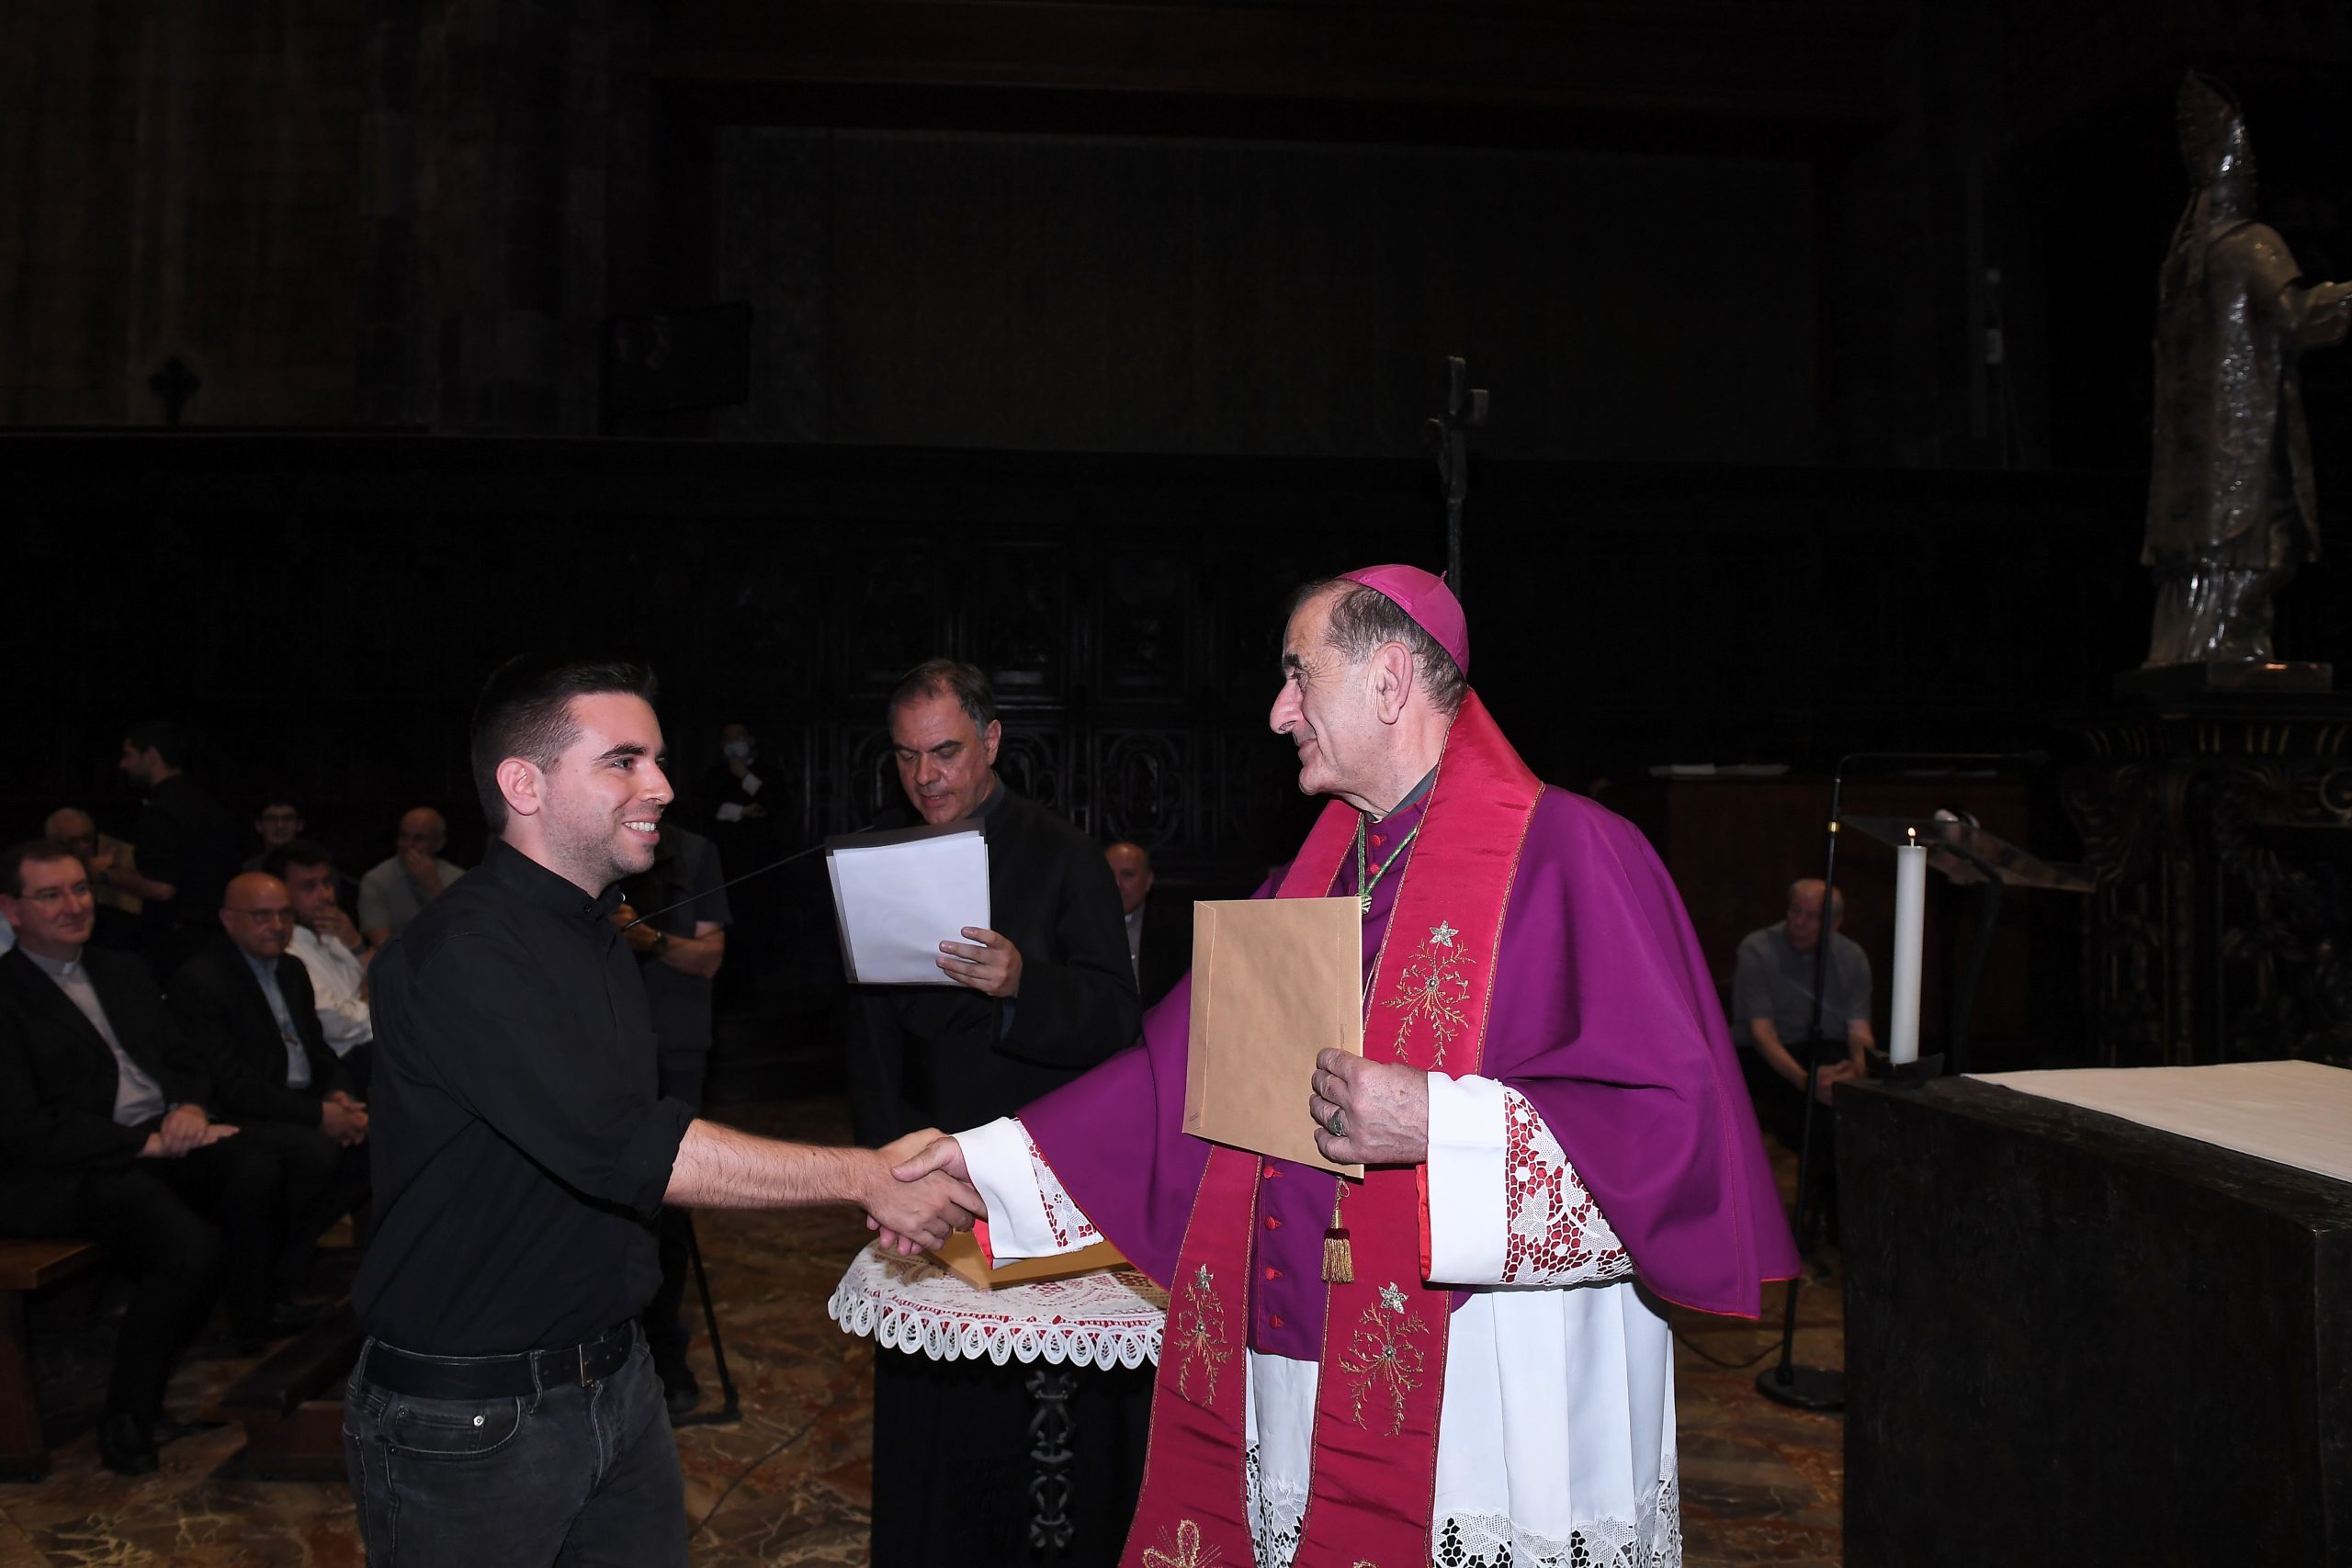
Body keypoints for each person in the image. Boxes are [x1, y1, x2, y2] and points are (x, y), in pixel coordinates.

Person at [893, 567, 1797, 1566]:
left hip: (1499, 1384)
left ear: (1389, 680)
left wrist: (1439, 1121)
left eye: (1299, 675)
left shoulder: (1578, 854)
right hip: (1309, 1361)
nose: (1278, 713)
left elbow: (1669, 1135)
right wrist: (977, 1163)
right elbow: (1168, 1081)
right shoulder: (1310, 880)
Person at [345, 655, 979, 1567]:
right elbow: (627, 1146)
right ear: (524, 784)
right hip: (473, 1416)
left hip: (615, 1377)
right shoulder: (465, 952)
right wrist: (865, 1176)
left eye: (658, 759)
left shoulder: (596, 932)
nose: (664, 786)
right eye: (624, 761)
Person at [846, 659, 1145, 1567]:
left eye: (944, 752)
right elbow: (865, 1033)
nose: (924, 776)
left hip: (1033, 1182)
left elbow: (1117, 1018)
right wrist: (881, 1166)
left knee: (1028, 1432)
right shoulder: (881, 856)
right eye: (906, 757)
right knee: (929, 1425)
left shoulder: (1061, 854)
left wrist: (1024, 986)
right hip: (919, 1177)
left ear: (991, 741)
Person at [0, 840, 303, 1473]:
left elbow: (182, 1057)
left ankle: (252, 1330)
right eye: (51, 895)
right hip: (58, 1169)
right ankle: (127, 1415)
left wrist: (188, 1106)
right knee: (188, 1248)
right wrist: (145, 1142)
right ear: (11, 910)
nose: (74, 905)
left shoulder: (120, 968)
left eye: (80, 888)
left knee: (256, 1161)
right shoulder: (8, 995)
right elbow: (24, 1129)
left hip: (149, 1140)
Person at [2143, 72, 2352, 668]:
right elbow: (2297, 316)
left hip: (2200, 459)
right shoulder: (2251, 245)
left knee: (2242, 551)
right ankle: (2230, 646)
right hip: (2243, 443)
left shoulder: (2182, 264)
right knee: (2265, 549)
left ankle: (2214, 645)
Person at [169, 872, 373, 1303]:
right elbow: (230, 1082)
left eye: (284, 915)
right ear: (228, 919)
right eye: (262, 916)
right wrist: (320, 1116)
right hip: (242, 1110)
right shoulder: (203, 979)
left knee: (376, 1140)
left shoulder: (291, 969)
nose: (277, 926)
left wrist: (339, 1095)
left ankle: (290, 1259)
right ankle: (276, 1279)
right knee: (314, 1152)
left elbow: (318, 1051)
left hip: (293, 1099)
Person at [612, 822, 730, 1416]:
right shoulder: (579, 838)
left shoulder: (693, 852)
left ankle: (664, 1349)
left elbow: (709, 957)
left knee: (667, 1207)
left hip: (675, 1050)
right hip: (594, 1050)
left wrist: (648, 937)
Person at [1730, 878, 1873, 1242]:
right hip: (1771, 1056)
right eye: (1796, 911)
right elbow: (1762, 1034)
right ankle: (1823, 1214)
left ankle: (1839, 1214)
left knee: (1853, 1106)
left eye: (1812, 917)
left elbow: (1859, 1031)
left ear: (1834, 924)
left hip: (1829, 1055)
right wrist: (1806, 1080)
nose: (1799, 922)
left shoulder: (1852, 957)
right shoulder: (1758, 949)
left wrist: (1856, 1073)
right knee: (1817, 1112)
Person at [104, 721, 240, 976]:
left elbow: (161, 887)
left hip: (176, 944)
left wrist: (105, 874)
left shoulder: (160, 810)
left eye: (129, 755)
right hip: (218, 938)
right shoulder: (210, 804)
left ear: (152, 755)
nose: (123, 765)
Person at [266, 840, 377, 1097]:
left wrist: (356, 943)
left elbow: (386, 977)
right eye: (309, 887)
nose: (326, 896)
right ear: (281, 894)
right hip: (343, 1064)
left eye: (327, 883)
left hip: (375, 1041)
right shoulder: (284, 951)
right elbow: (337, 1026)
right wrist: (373, 993)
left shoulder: (333, 931)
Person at [357, 807, 465, 948]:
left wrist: (434, 886)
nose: (408, 845)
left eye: (419, 839)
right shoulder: (376, 880)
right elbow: (383, 945)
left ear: (439, 843)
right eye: (403, 836)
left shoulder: (459, 879)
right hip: (398, 959)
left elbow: (463, 933)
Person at [1107, 840, 1192, 1010]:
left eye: (1127, 875)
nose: (1117, 884)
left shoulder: (1176, 929)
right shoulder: (1079, 928)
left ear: (1148, 881)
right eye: (1108, 875)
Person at [44, 807, 141, 952]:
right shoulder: (44, 877)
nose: (83, 847)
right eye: (72, 841)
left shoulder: (104, 866)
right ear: (53, 844)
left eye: (87, 839)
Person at [246, 801, 307, 871]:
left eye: (288, 818)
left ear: (300, 825)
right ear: (258, 825)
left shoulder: (315, 867)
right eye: (271, 819)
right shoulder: (248, 870)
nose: (280, 826)